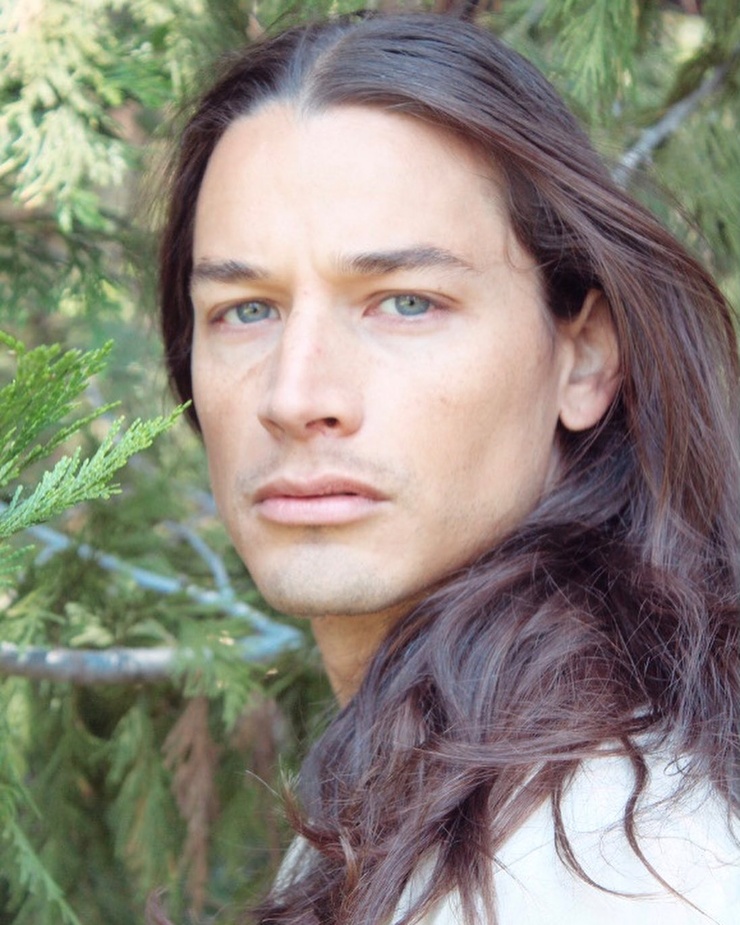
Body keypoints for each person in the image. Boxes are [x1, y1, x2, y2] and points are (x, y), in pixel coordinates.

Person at [156, 11, 739, 925]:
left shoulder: (616, 864)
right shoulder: (433, 797)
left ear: (584, 355)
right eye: (246, 309)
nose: (294, 395)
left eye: (405, 302)